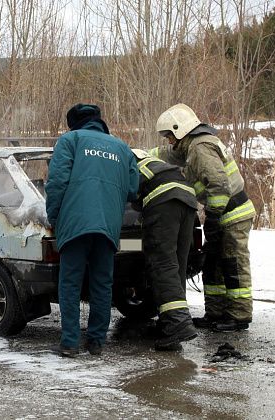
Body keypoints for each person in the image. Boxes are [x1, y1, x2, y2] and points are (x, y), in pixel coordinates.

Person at [151, 103, 256, 331]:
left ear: (180, 130)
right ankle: (216, 313)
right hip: (221, 214)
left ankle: (239, 316)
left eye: (170, 135)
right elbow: (168, 156)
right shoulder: (190, 147)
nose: (168, 140)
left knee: (232, 264)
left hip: (232, 214)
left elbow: (218, 186)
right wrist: (137, 154)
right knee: (213, 265)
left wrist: (214, 218)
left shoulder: (200, 147)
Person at [46, 104, 139, 357]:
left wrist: (53, 216)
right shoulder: (122, 148)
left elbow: (56, 183)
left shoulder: (70, 140)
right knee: (102, 285)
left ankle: (69, 343)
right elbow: (133, 188)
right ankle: (97, 342)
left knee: (70, 284)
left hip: (75, 224)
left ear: (74, 123)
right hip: (108, 226)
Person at [131, 148, 198, 350]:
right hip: (187, 199)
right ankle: (172, 322)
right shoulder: (149, 161)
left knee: (163, 264)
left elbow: (123, 195)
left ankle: (178, 325)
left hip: (164, 200)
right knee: (177, 263)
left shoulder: (121, 163)